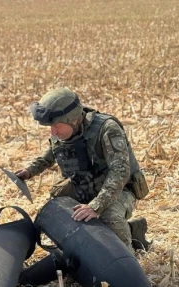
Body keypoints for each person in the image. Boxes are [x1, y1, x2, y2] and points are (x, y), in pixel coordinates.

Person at [15, 87, 150, 251]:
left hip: (120, 190)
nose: (53, 131)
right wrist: (29, 171)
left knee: (109, 217)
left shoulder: (107, 129)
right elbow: (49, 156)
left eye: (56, 126)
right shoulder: (62, 131)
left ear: (73, 120)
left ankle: (127, 253)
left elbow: (120, 172)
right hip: (85, 187)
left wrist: (96, 206)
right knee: (59, 212)